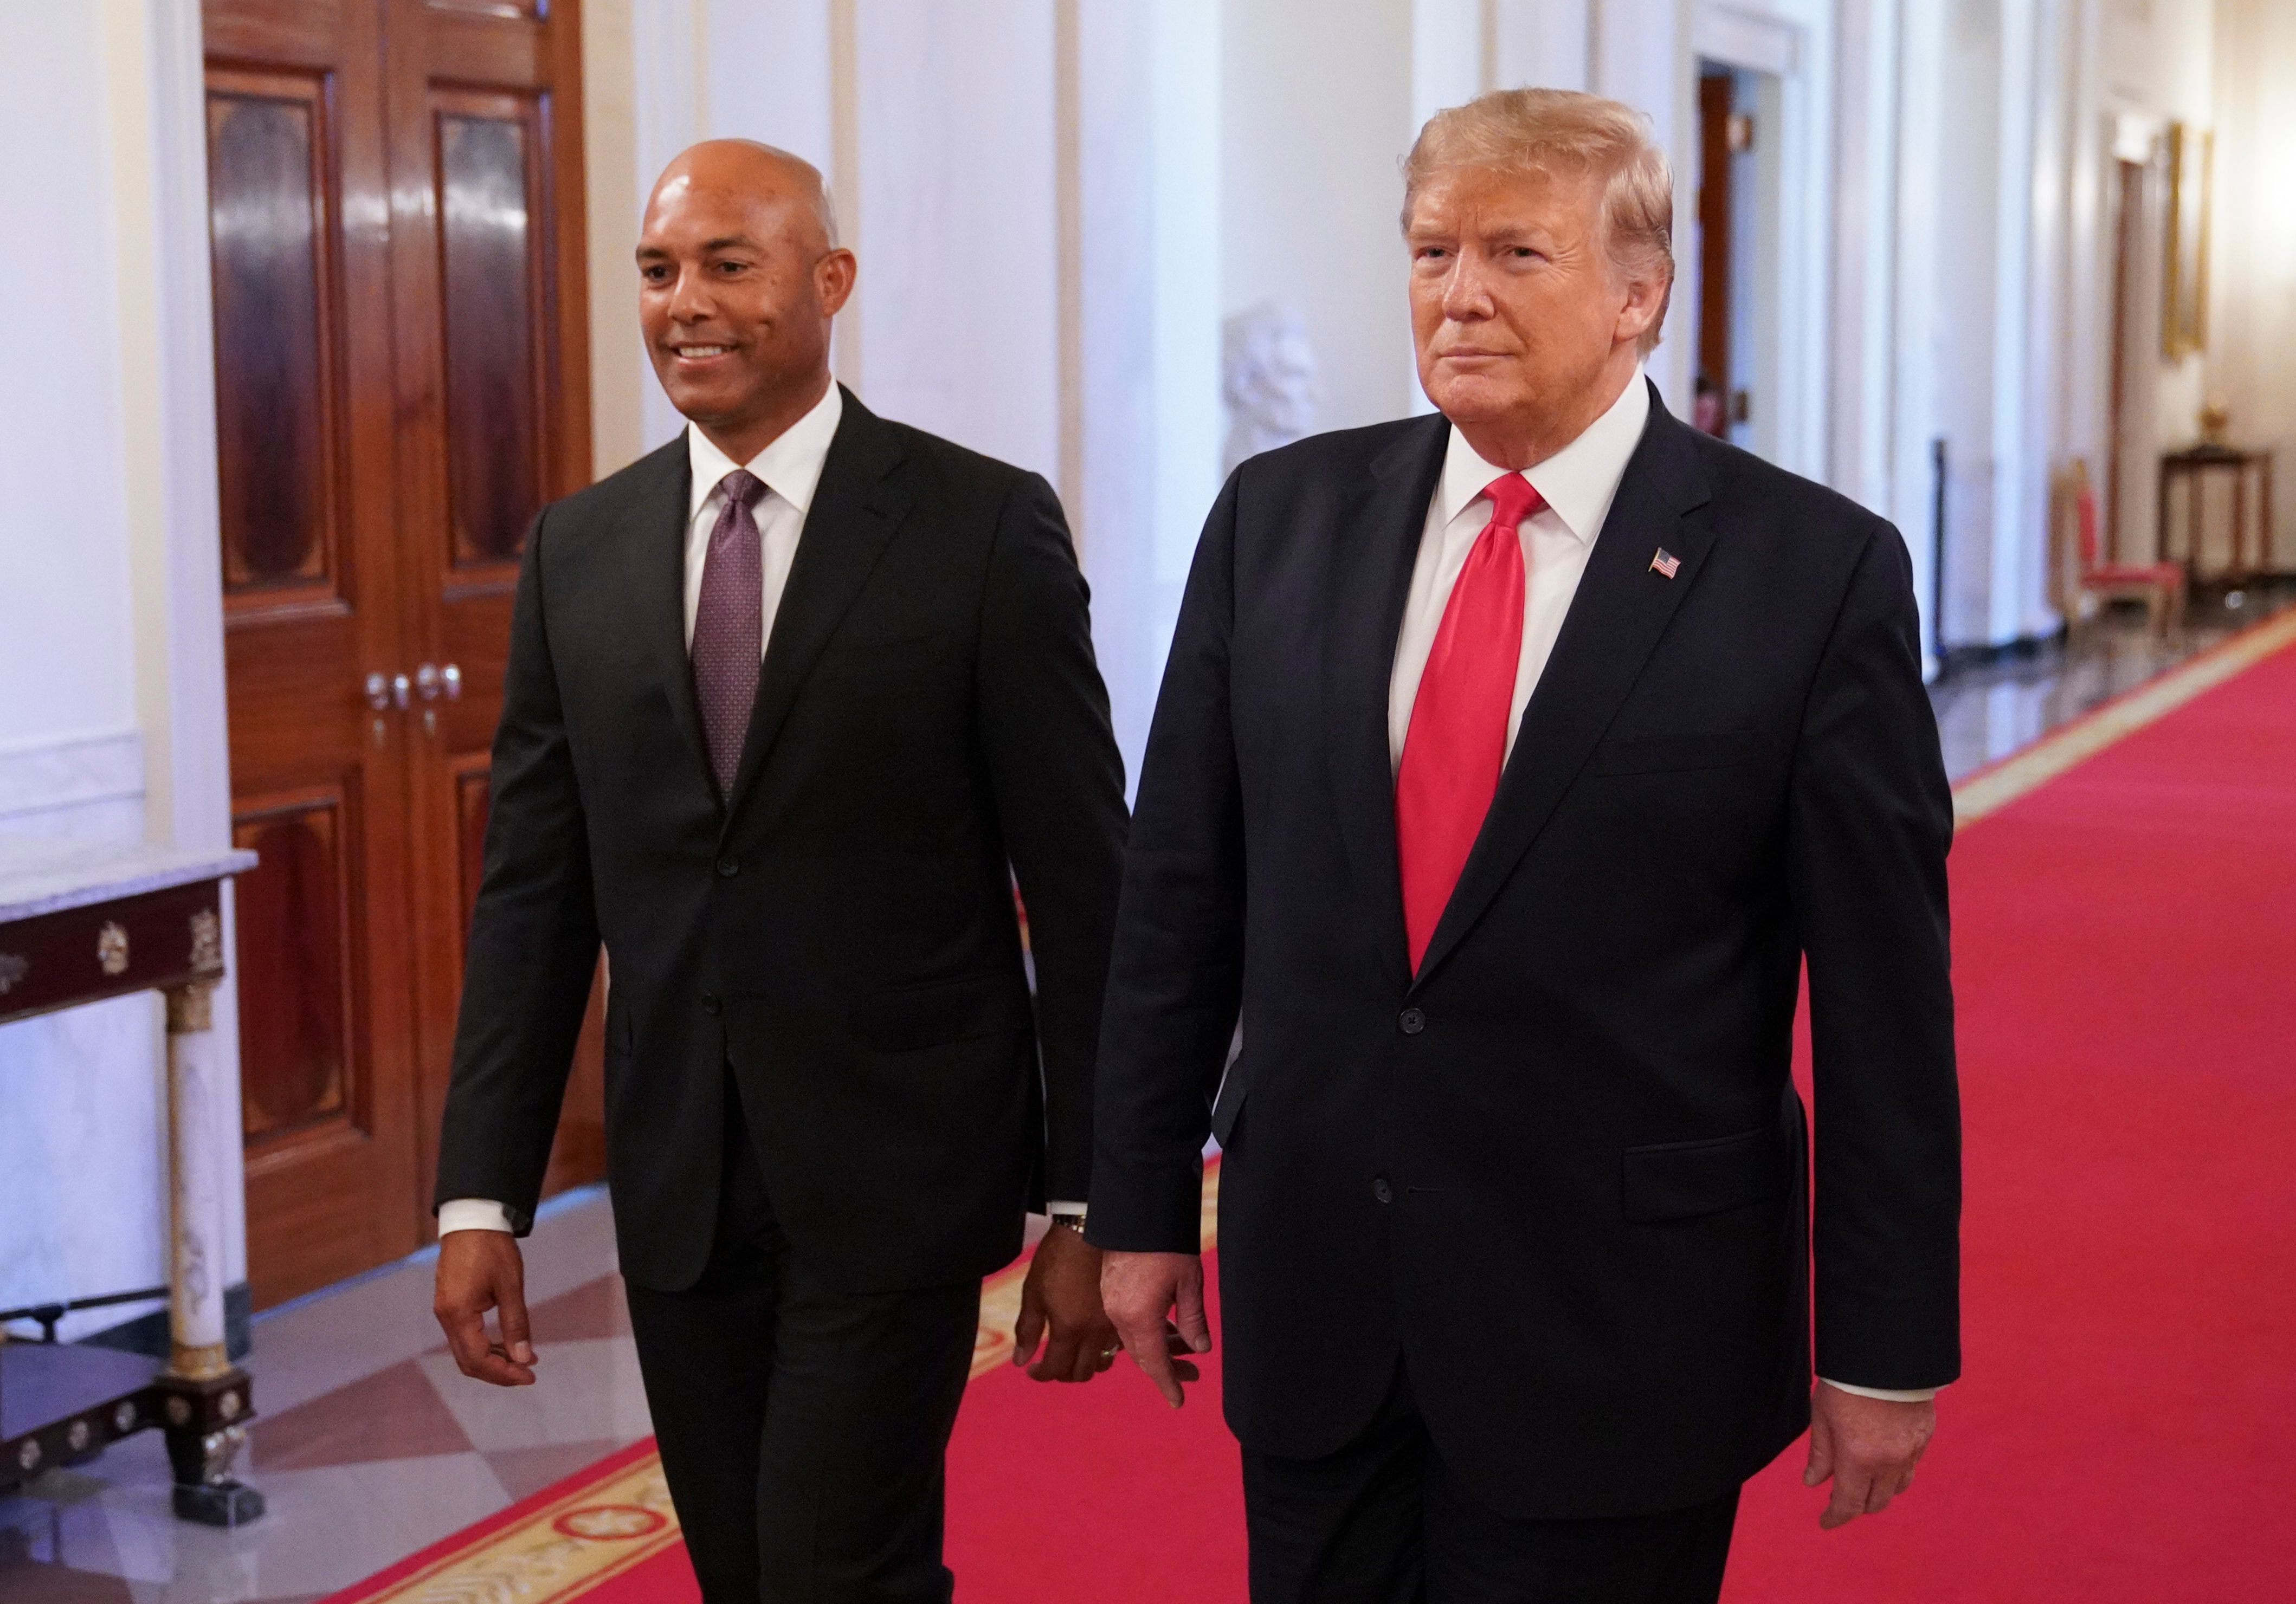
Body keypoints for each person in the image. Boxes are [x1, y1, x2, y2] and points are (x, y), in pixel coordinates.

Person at [1090, 88, 1959, 1603]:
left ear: (1639, 294)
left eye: (1513, 252)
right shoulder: (1274, 521)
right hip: (1320, 1307)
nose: (1459, 292)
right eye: (1430, 252)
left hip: (1618, 1327)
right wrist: (1143, 1204)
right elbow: (1178, 898)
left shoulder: (1809, 574)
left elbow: (1885, 1007)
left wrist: (1883, 1342)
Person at [429, 140, 1128, 1604]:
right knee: (747, 1570)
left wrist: (1088, 1203)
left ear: (828, 283)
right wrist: (481, 1199)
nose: (686, 302)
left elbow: (1085, 894)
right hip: (681, 1180)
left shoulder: (981, 530)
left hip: (898, 1170)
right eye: (658, 269)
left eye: (728, 266)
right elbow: (533, 898)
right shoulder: (580, 549)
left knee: (834, 1571)